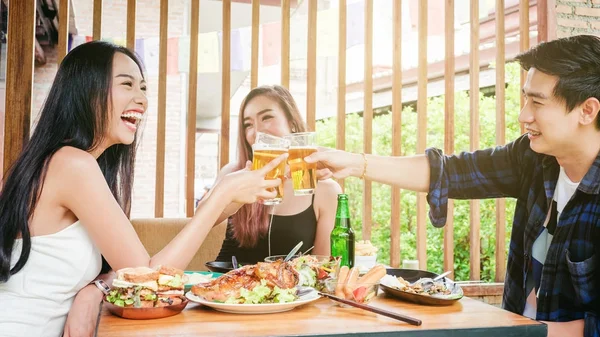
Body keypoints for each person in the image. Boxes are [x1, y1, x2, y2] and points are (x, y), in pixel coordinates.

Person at [305, 35, 600, 337]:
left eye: (537, 102)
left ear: (587, 111)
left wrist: (519, 332)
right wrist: (355, 164)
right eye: (525, 98)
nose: (523, 115)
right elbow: (450, 171)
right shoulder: (533, 159)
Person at [0, 41, 286, 337]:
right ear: (86, 90)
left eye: (143, 88)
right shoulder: (72, 165)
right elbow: (146, 283)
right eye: (127, 85)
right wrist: (222, 195)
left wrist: (94, 289)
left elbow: (126, 273)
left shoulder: (69, 164)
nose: (142, 100)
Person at [212, 85, 342, 263]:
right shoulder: (234, 173)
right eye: (248, 124)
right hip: (228, 284)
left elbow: (322, 264)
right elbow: (203, 221)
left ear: (293, 124)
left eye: (267, 117)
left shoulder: (326, 190)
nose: (256, 132)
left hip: (292, 288)